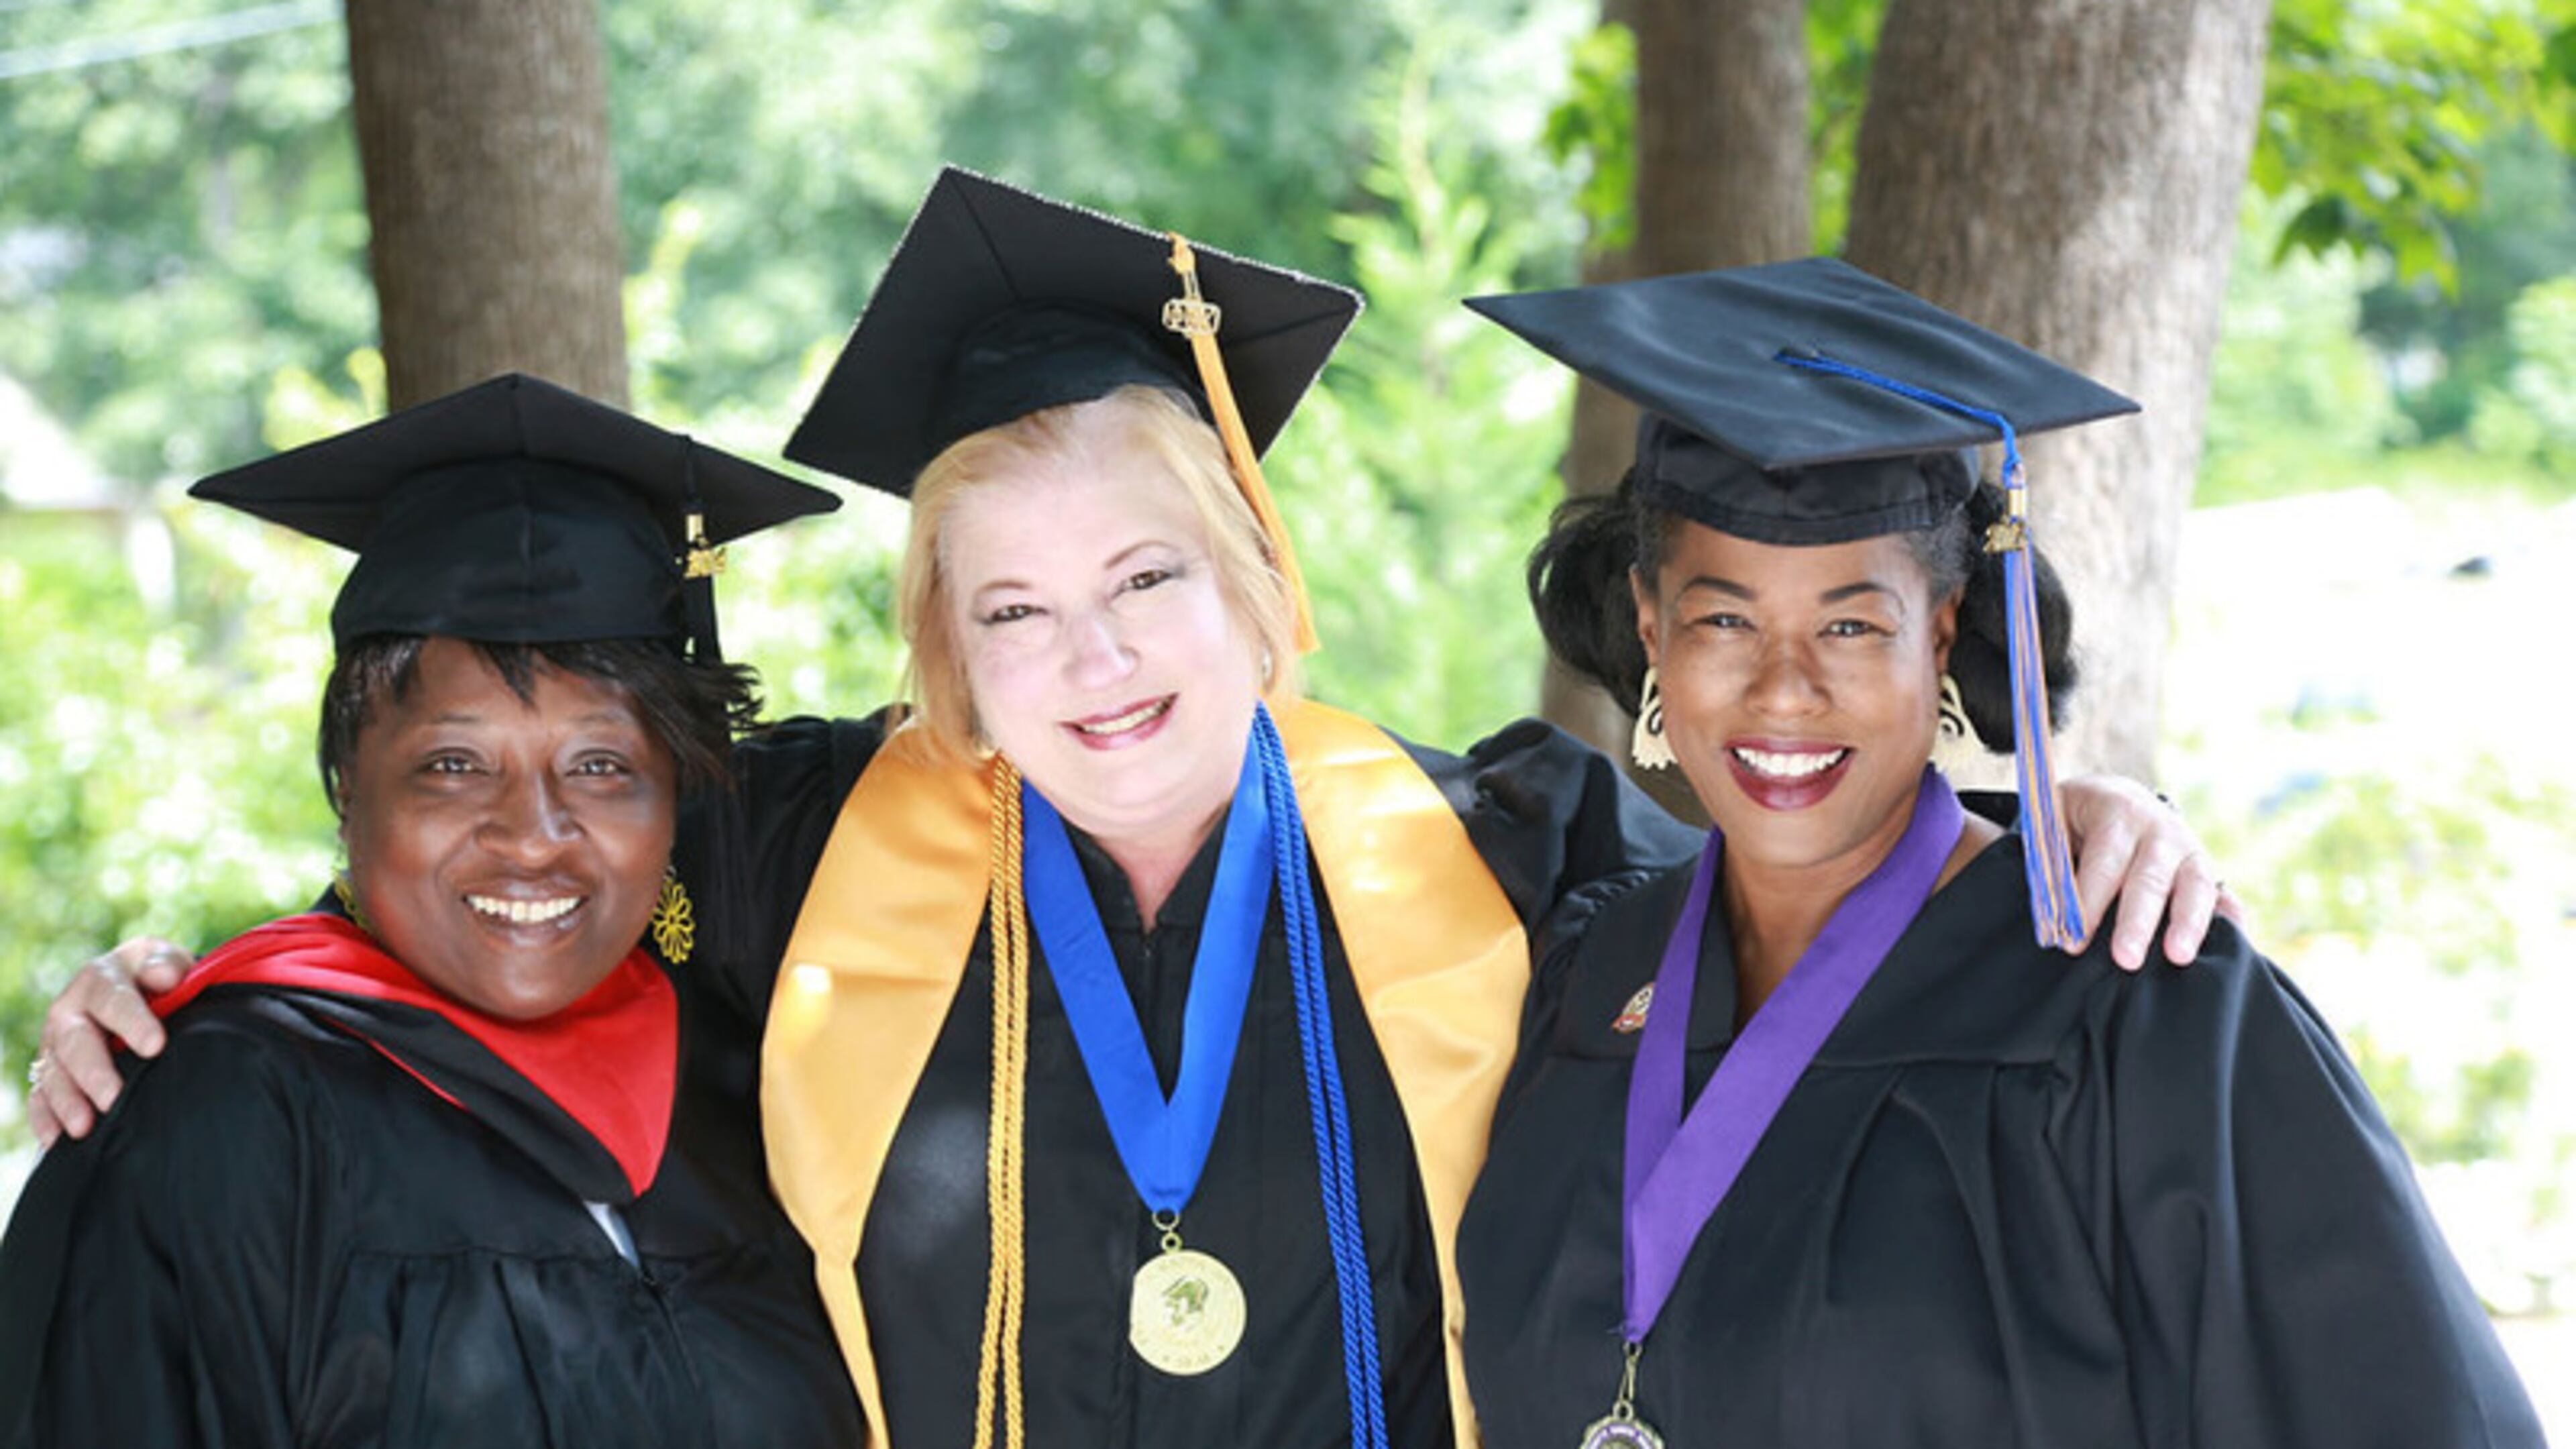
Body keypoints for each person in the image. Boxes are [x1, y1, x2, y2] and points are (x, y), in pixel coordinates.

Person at [23, 172, 2235, 1449]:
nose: (1094, 661)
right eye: (1014, 609)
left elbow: (1808, 910)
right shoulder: (798, 857)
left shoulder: (1513, 854)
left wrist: (2036, 813)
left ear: (1258, 580)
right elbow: (513, 877)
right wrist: (192, 991)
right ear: (947, 653)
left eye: (1147, 580)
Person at [1455, 258, 2544, 1448]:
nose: (1784, 689)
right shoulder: (1589, 970)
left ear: (1944, 635)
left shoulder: (2135, 1005)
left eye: (1851, 625)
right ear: (1650, 626)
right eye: (1725, 619)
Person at [0, 375, 865, 1448]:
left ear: (674, 800)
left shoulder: (744, 1066)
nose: (533, 834)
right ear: (346, 788)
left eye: (601, 766)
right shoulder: (227, 1110)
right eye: (453, 765)